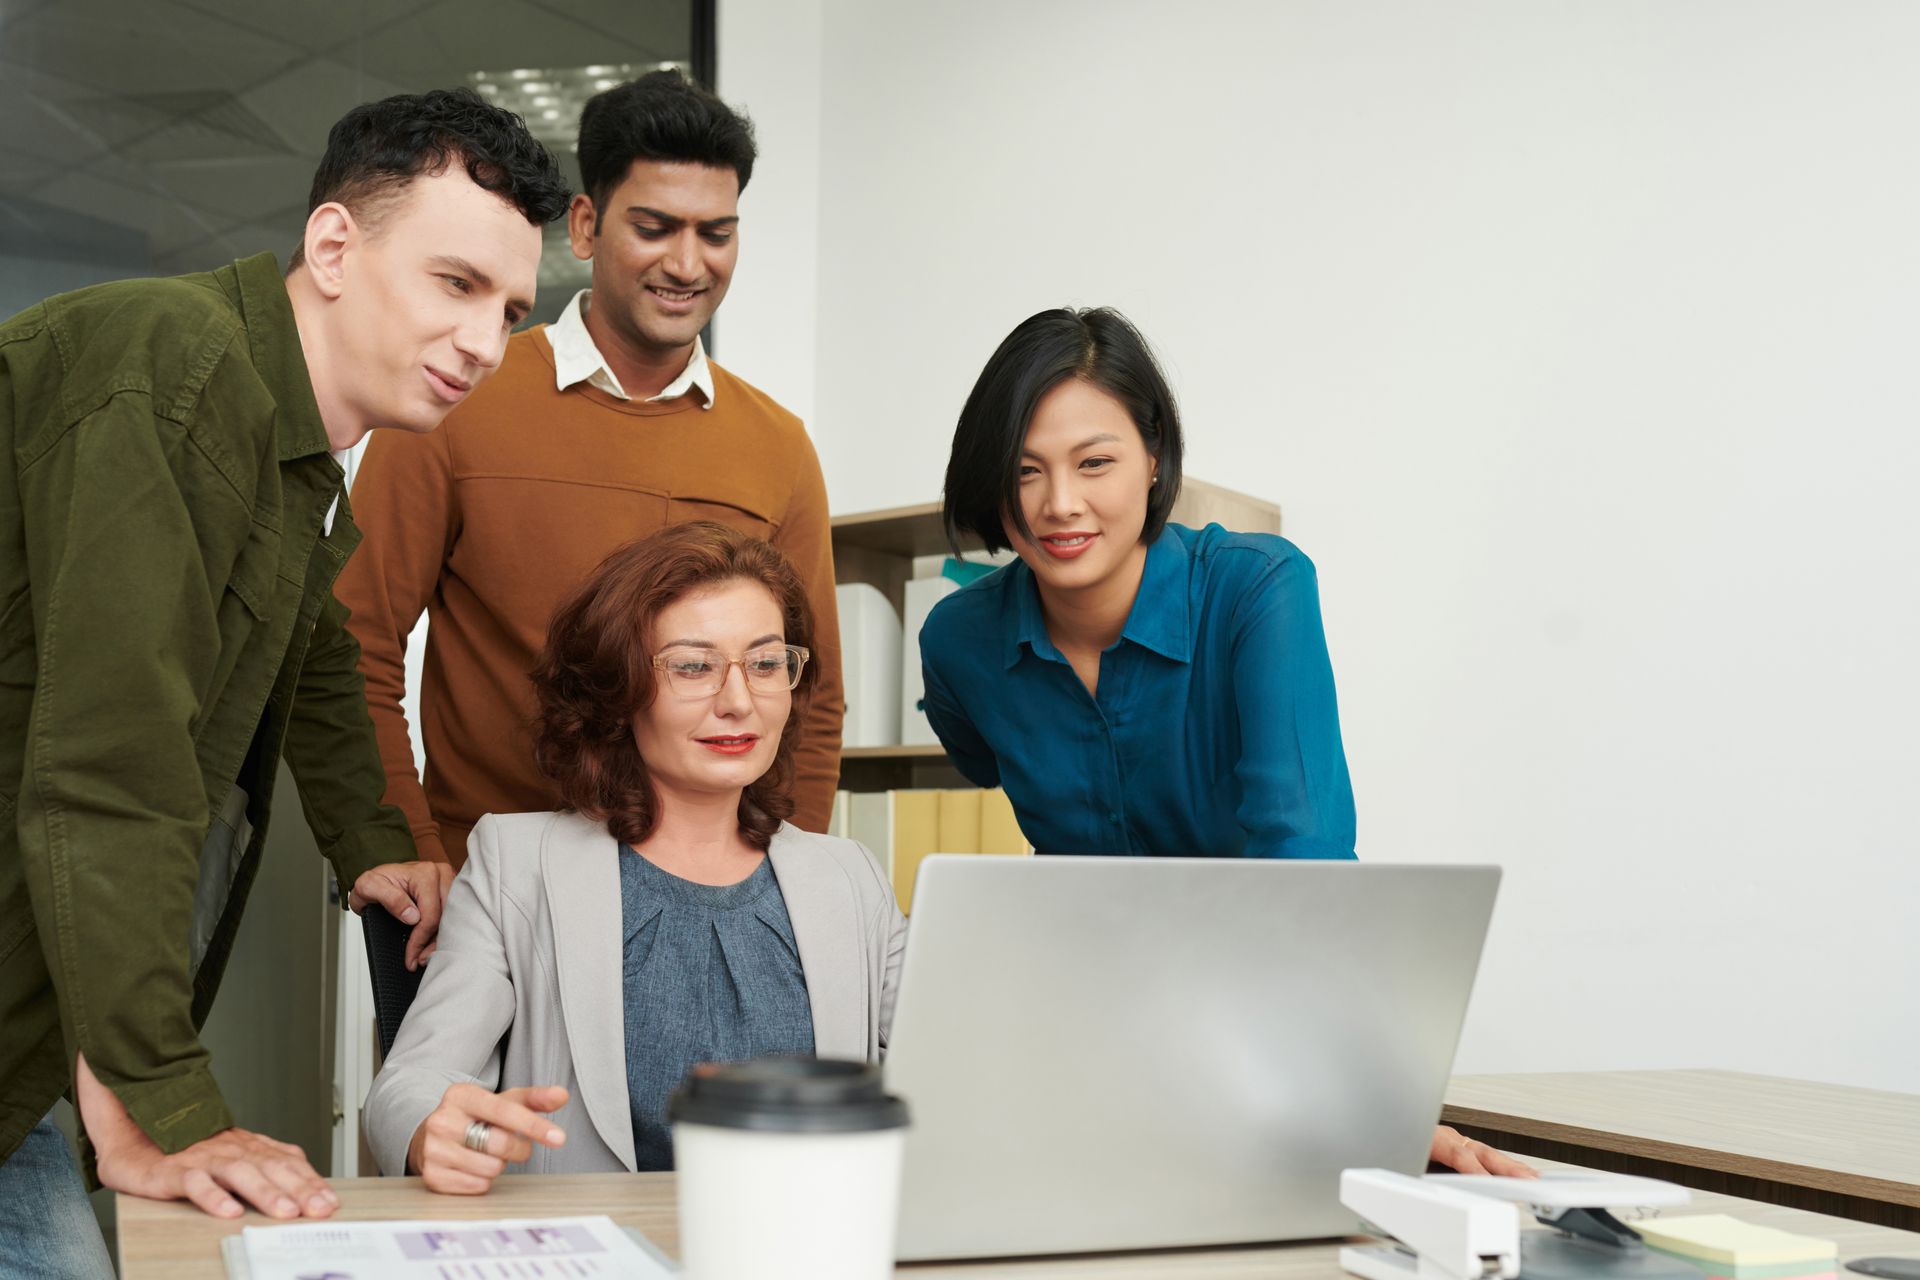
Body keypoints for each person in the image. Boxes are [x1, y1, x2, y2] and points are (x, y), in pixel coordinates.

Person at [0, 87, 569, 1268]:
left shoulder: (297, 455)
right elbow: (114, 766)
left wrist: (369, 837)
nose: (484, 340)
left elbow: (308, 650)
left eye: (511, 308)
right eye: (454, 283)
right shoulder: (175, 363)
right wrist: (161, 1099)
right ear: (332, 247)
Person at [918, 306, 1532, 1177]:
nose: (1060, 504)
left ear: (1156, 456)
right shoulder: (958, 642)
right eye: (1024, 471)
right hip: (1077, 1042)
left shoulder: (1258, 588)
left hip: (1263, 1041)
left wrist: (1365, 1103)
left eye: (1095, 462)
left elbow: (1305, 853)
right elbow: (978, 759)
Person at [337, 69, 845, 873]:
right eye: (654, 226)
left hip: (705, 905)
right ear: (584, 226)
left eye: (716, 233)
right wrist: (402, 849)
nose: (687, 263)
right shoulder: (459, 397)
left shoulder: (778, 445)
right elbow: (351, 643)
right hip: (485, 898)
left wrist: (790, 881)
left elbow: (809, 704)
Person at [362, 523, 901, 1189]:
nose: (738, 702)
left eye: (765, 664)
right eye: (693, 666)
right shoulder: (516, 862)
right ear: (617, 690)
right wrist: (439, 1131)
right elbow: (411, 1083)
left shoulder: (851, 877)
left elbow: (961, 1068)